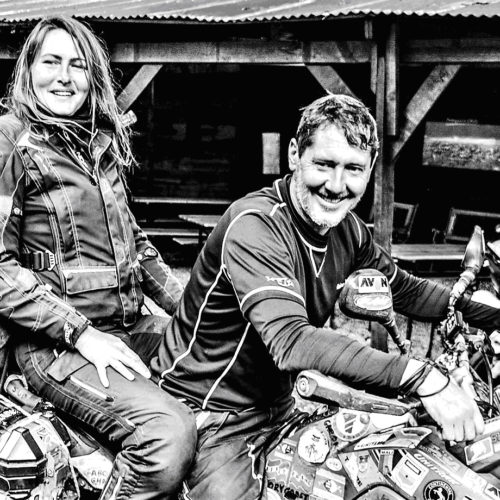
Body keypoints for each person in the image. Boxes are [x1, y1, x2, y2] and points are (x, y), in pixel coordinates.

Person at [150, 93, 500, 499]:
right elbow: (291, 341)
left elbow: (405, 289)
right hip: (211, 412)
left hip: (281, 407)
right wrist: (421, 377)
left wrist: (488, 315)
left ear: (370, 169)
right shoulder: (256, 225)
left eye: (353, 169)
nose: (336, 186)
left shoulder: (347, 230)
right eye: (324, 165)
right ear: (294, 154)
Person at [0, 15, 197, 499]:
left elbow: (136, 246)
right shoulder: (9, 140)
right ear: (28, 68)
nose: (64, 77)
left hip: (126, 328)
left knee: (234, 364)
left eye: (78, 65)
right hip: (54, 345)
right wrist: (80, 333)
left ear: (93, 76)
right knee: (167, 437)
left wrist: (193, 311)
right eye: (52, 62)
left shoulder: (98, 145)